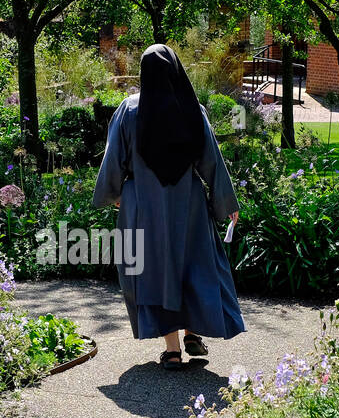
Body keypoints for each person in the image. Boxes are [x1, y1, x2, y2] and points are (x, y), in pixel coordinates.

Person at [91, 43, 245, 370]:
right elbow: (210, 161)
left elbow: (114, 158)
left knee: (153, 272)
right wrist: (225, 202)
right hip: (186, 205)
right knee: (193, 266)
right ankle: (192, 333)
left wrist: (115, 193)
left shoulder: (129, 110)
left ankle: (173, 350)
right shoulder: (192, 109)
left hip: (141, 206)